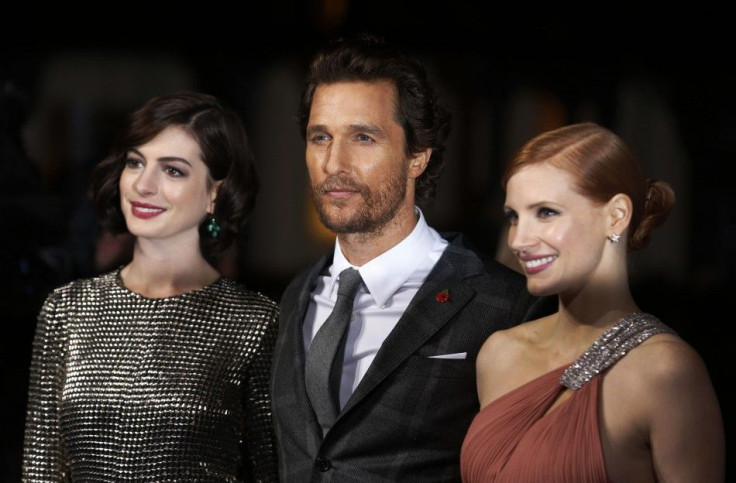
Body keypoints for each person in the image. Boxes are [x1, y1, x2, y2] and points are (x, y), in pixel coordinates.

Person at [270, 34, 543, 482]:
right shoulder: (298, 295)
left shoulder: (504, 304)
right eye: (320, 137)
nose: (334, 162)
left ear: (417, 155)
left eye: (363, 137)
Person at [22, 91, 279, 482]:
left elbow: (273, 470)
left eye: (173, 170)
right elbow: (40, 470)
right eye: (135, 162)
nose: (143, 184)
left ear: (215, 192)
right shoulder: (67, 308)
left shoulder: (255, 322)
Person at [460, 122, 725, 482]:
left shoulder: (665, 371)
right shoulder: (498, 353)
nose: (519, 240)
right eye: (513, 217)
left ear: (616, 216)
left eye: (546, 212)